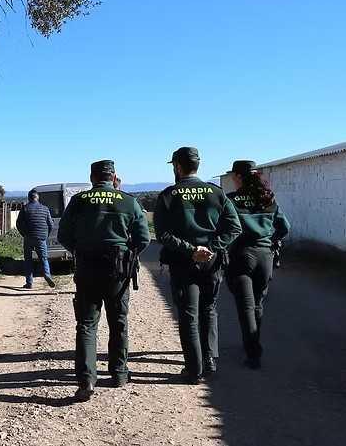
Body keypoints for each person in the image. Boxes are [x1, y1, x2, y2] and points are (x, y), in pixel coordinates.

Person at [58, 160, 151, 400]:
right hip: (118, 269)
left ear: (92, 177)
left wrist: (80, 250)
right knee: (118, 322)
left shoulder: (79, 201)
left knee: (87, 324)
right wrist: (128, 254)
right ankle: (119, 373)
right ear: (113, 177)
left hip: (87, 267)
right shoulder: (129, 201)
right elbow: (143, 238)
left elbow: (63, 235)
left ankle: (87, 379)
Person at [153, 147, 242, 384]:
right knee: (209, 309)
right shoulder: (217, 193)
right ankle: (210, 359)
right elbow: (234, 228)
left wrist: (192, 250)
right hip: (212, 263)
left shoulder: (169, 195)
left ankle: (194, 369)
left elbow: (162, 234)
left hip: (183, 262)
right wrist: (211, 247)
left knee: (188, 314)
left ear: (178, 167)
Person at [226, 160, 290, 370]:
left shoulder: (231, 200)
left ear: (238, 177)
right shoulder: (268, 199)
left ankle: (253, 353)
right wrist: (272, 241)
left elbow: (223, 228)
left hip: (241, 256)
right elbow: (284, 227)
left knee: (245, 307)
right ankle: (253, 344)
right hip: (265, 257)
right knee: (257, 304)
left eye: (233, 176)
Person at [16, 190, 56, 289]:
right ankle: (47, 275)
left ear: (29, 198)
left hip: (28, 237)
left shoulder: (25, 208)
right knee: (44, 258)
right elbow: (51, 225)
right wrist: (45, 235)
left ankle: (29, 283)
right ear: (37, 198)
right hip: (41, 238)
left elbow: (18, 224)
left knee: (28, 260)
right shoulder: (45, 209)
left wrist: (24, 234)